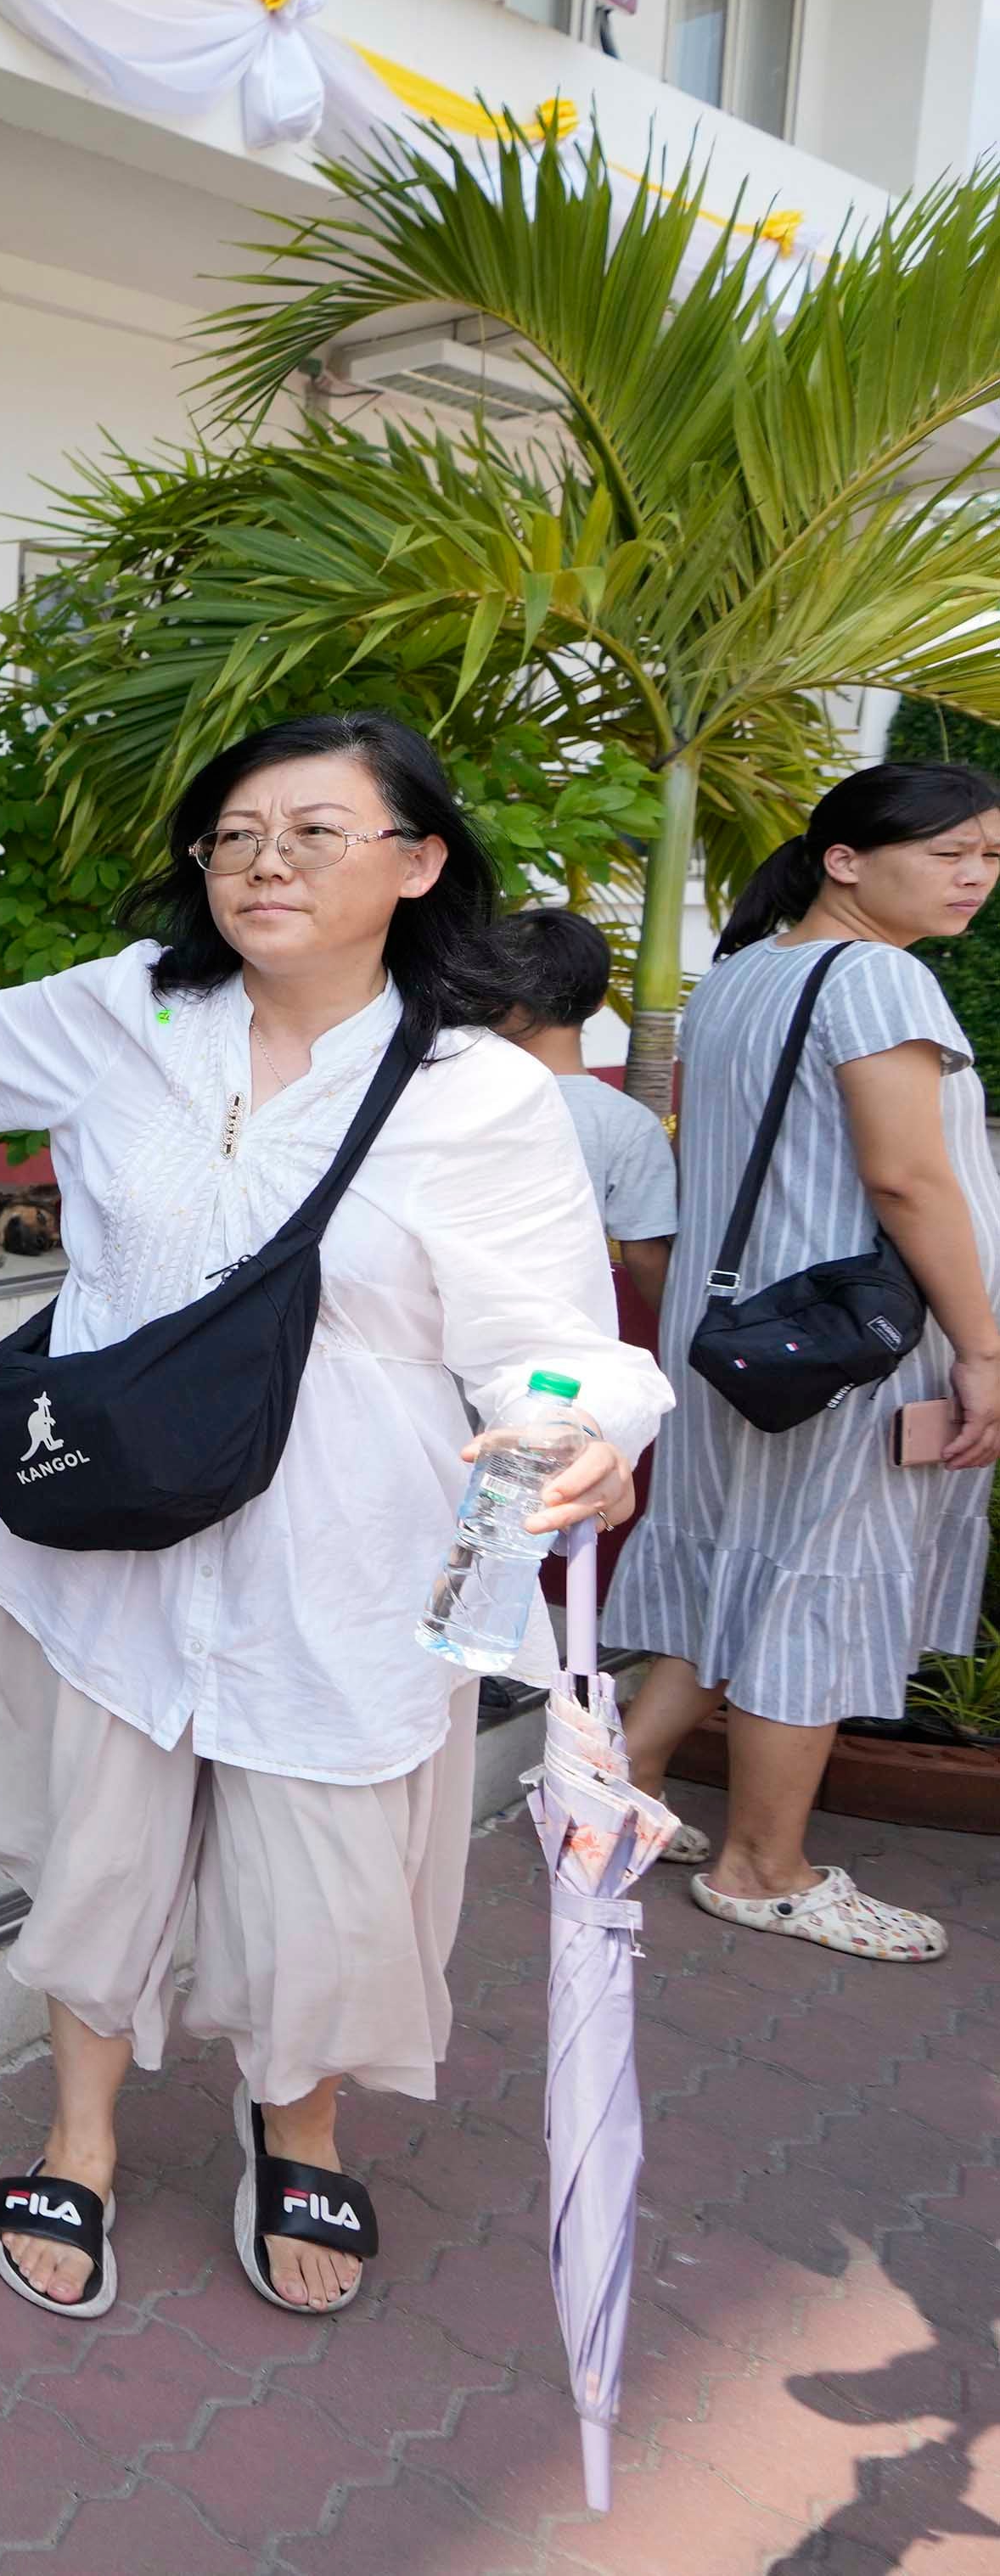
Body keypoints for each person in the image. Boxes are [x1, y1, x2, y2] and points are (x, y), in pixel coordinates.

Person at [0, 714, 660, 2321]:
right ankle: (75, 2133)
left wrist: (583, 1437)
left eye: (310, 830)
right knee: (102, 1842)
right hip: (117, 1518)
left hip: (338, 1540)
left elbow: (552, 1340)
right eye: (231, 834)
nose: (262, 861)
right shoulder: (127, 1011)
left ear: (416, 863)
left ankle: (297, 2123)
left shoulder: (479, 1093)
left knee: (324, 1867)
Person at [615, 761, 1000, 1964]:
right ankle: (760, 1868)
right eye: (949, 850)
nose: (973, 875)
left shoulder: (739, 974)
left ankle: (608, 1798)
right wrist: (982, 1347)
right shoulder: (878, 979)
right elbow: (904, 1174)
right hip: (846, 1345)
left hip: (740, 1336)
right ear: (843, 858)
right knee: (815, 1586)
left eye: (988, 855)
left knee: (733, 1563)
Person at [494, 907, 677, 1325]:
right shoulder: (627, 1123)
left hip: (438, 1340)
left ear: (492, 993)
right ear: (597, 1002)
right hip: (565, 1343)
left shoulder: (438, 1096)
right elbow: (646, 1252)